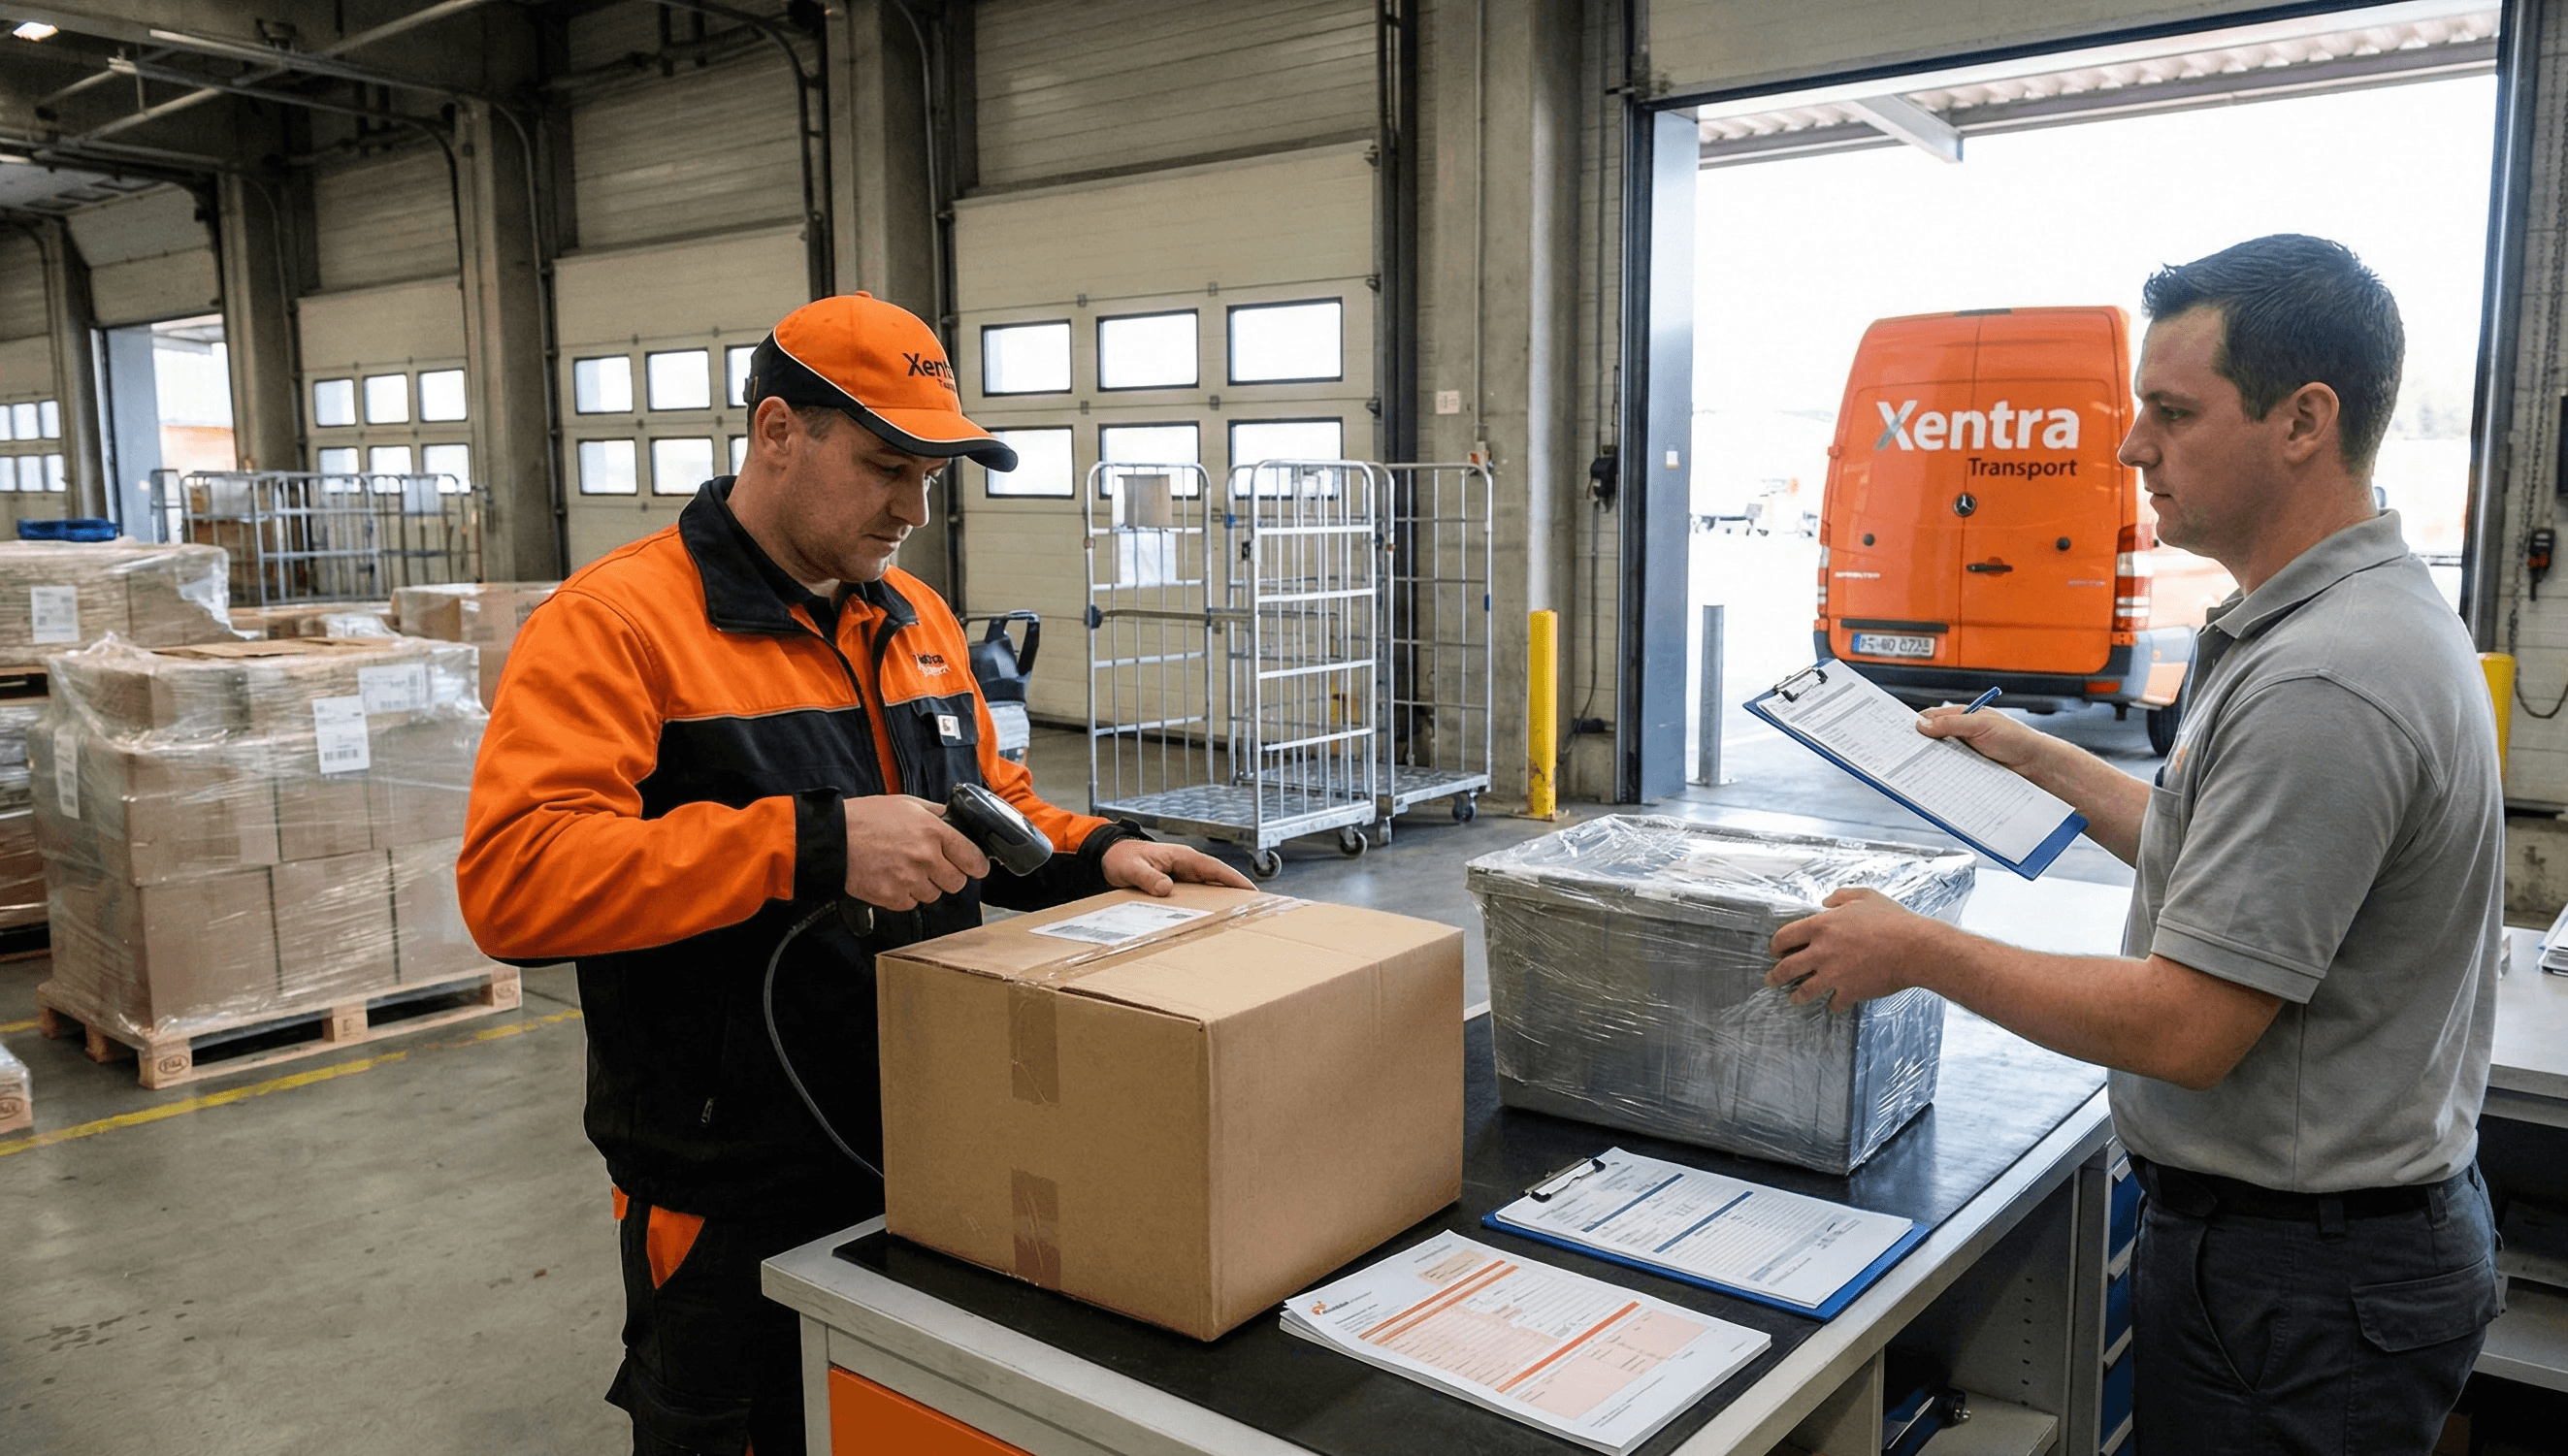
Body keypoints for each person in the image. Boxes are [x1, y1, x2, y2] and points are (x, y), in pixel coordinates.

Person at [457, 292, 1251, 1456]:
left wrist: (1093, 852)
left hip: (938, 1140)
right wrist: (808, 843)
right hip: (734, 1181)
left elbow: (988, 803)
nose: (913, 508)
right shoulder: (618, 625)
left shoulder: (915, 617)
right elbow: (515, 880)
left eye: (931, 475)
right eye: (887, 466)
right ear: (778, 432)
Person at [1767, 236, 2505, 1455]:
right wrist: (2045, 760)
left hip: (2299, 1288)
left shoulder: (2329, 676)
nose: (2128, 450)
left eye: (2170, 412)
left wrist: (1915, 951)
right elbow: (2238, 864)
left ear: (2302, 420)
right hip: (2308, 1259)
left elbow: (2187, 1025)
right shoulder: (2332, 620)